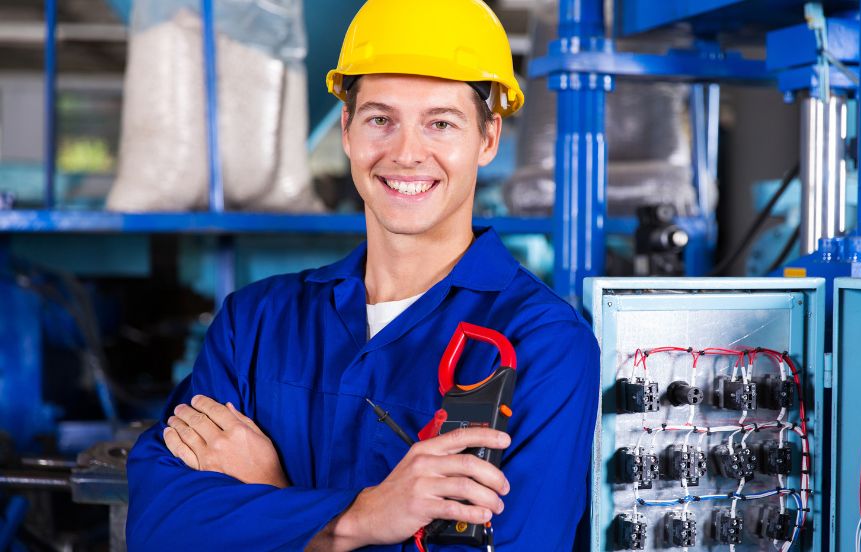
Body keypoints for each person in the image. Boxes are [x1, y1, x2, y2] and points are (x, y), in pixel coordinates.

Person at [125, 0, 600, 550]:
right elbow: (161, 527)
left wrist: (275, 502)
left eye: (441, 123)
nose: (405, 153)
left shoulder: (544, 344)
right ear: (347, 130)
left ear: (487, 139)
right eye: (381, 119)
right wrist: (362, 517)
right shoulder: (253, 323)